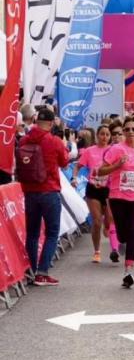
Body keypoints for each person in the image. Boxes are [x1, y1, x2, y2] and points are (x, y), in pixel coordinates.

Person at [98, 117, 134, 289]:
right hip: (117, 196)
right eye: (127, 129)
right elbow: (101, 170)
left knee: (131, 233)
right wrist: (117, 165)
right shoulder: (116, 149)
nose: (131, 132)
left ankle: (128, 270)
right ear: (123, 132)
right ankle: (121, 241)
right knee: (123, 233)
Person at [20, 107, 71, 286]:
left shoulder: (24, 139)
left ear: (36, 121)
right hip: (49, 190)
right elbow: (65, 163)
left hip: (29, 192)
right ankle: (42, 272)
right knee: (51, 233)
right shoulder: (54, 141)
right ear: (50, 123)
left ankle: (32, 271)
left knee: (32, 234)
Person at [73, 124, 114, 264]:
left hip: (108, 189)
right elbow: (78, 167)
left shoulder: (113, 150)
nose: (104, 137)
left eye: (107, 134)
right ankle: (97, 251)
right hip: (93, 189)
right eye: (102, 134)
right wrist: (74, 178)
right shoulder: (90, 151)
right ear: (97, 135)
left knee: (109, 221)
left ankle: (108, 227)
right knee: (96, 221)